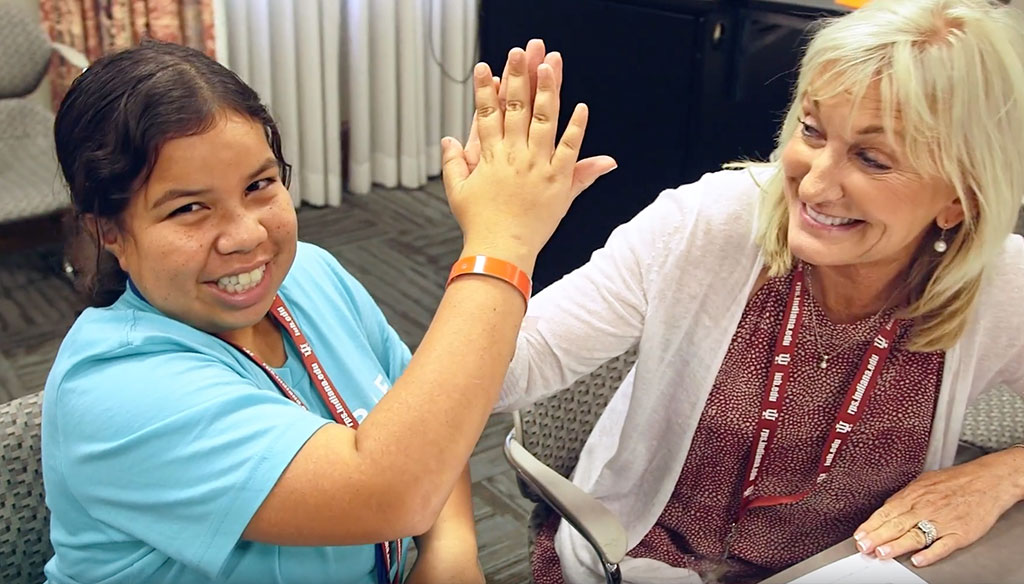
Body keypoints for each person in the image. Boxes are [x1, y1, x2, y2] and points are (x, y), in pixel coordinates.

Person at [486, 0, 1024, 582]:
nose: (813, 187)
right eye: (812, 130)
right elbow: (512, 371)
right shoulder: (706, 223)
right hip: (644, 555)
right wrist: (500, 244)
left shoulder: (1000, 284)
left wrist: (1004, 474)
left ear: (959, 199)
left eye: (872, 159)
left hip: (842, 567)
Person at [40, 40, 615, 584]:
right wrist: (502, 243)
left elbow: (429, 423)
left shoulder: (309, 274)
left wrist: (450, 552)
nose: (246, 236)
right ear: (109, 230)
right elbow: (390, 491)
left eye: (260, 185)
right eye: (189, 208)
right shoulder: (115, 389)